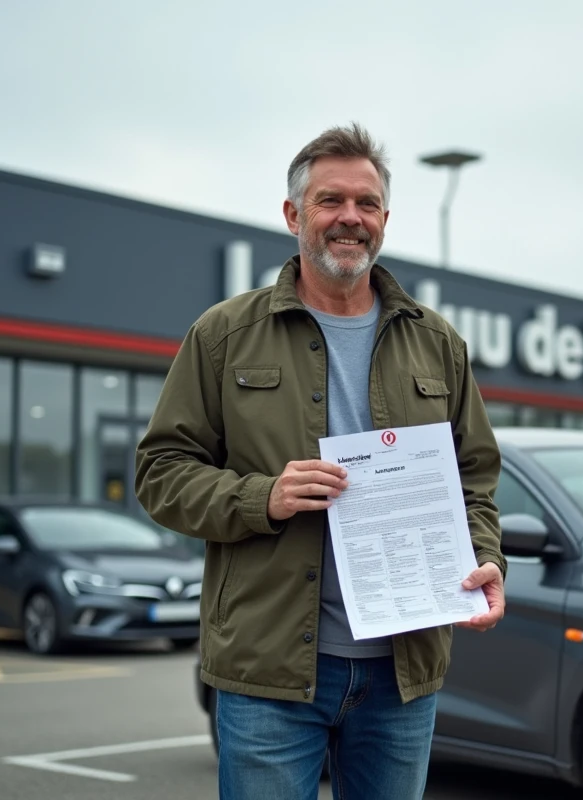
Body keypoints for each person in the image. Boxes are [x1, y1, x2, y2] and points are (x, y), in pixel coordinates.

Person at [134, 122, 506, 800]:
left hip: (401, 672)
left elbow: (474, 478)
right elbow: (160, 474)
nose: (350, 219)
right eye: (331, 200)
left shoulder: (437, 344)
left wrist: (485, 557)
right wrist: (261, 498)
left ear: (385, 220)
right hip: (269, 673)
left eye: (366, 204)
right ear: (293, 215)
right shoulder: (223, 336)